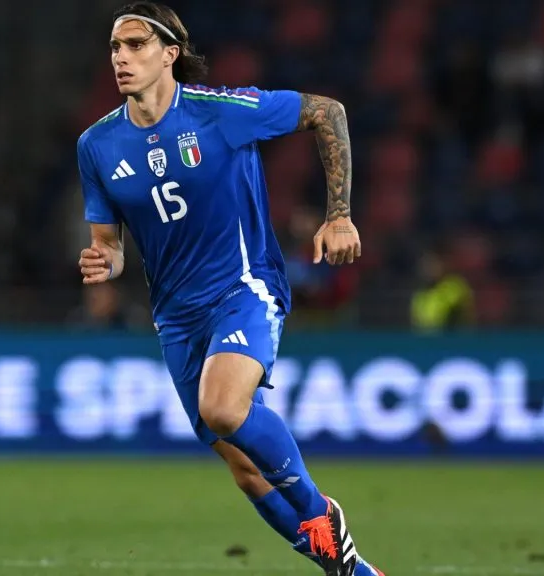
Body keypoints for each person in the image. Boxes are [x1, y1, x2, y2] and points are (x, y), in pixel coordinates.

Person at [75, 3, 385, 575]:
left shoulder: (221, 112)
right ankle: (353, 571)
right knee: (245, 468)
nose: (121, 57)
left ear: (169, 54)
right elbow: (111, 243)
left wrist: (338, 214)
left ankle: (322, 513)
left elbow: (327, 111)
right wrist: (106, 262)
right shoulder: (96, 146)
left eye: (136, 45)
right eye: (116, 47)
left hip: (244, 287)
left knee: (221, 407)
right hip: (175, 316)